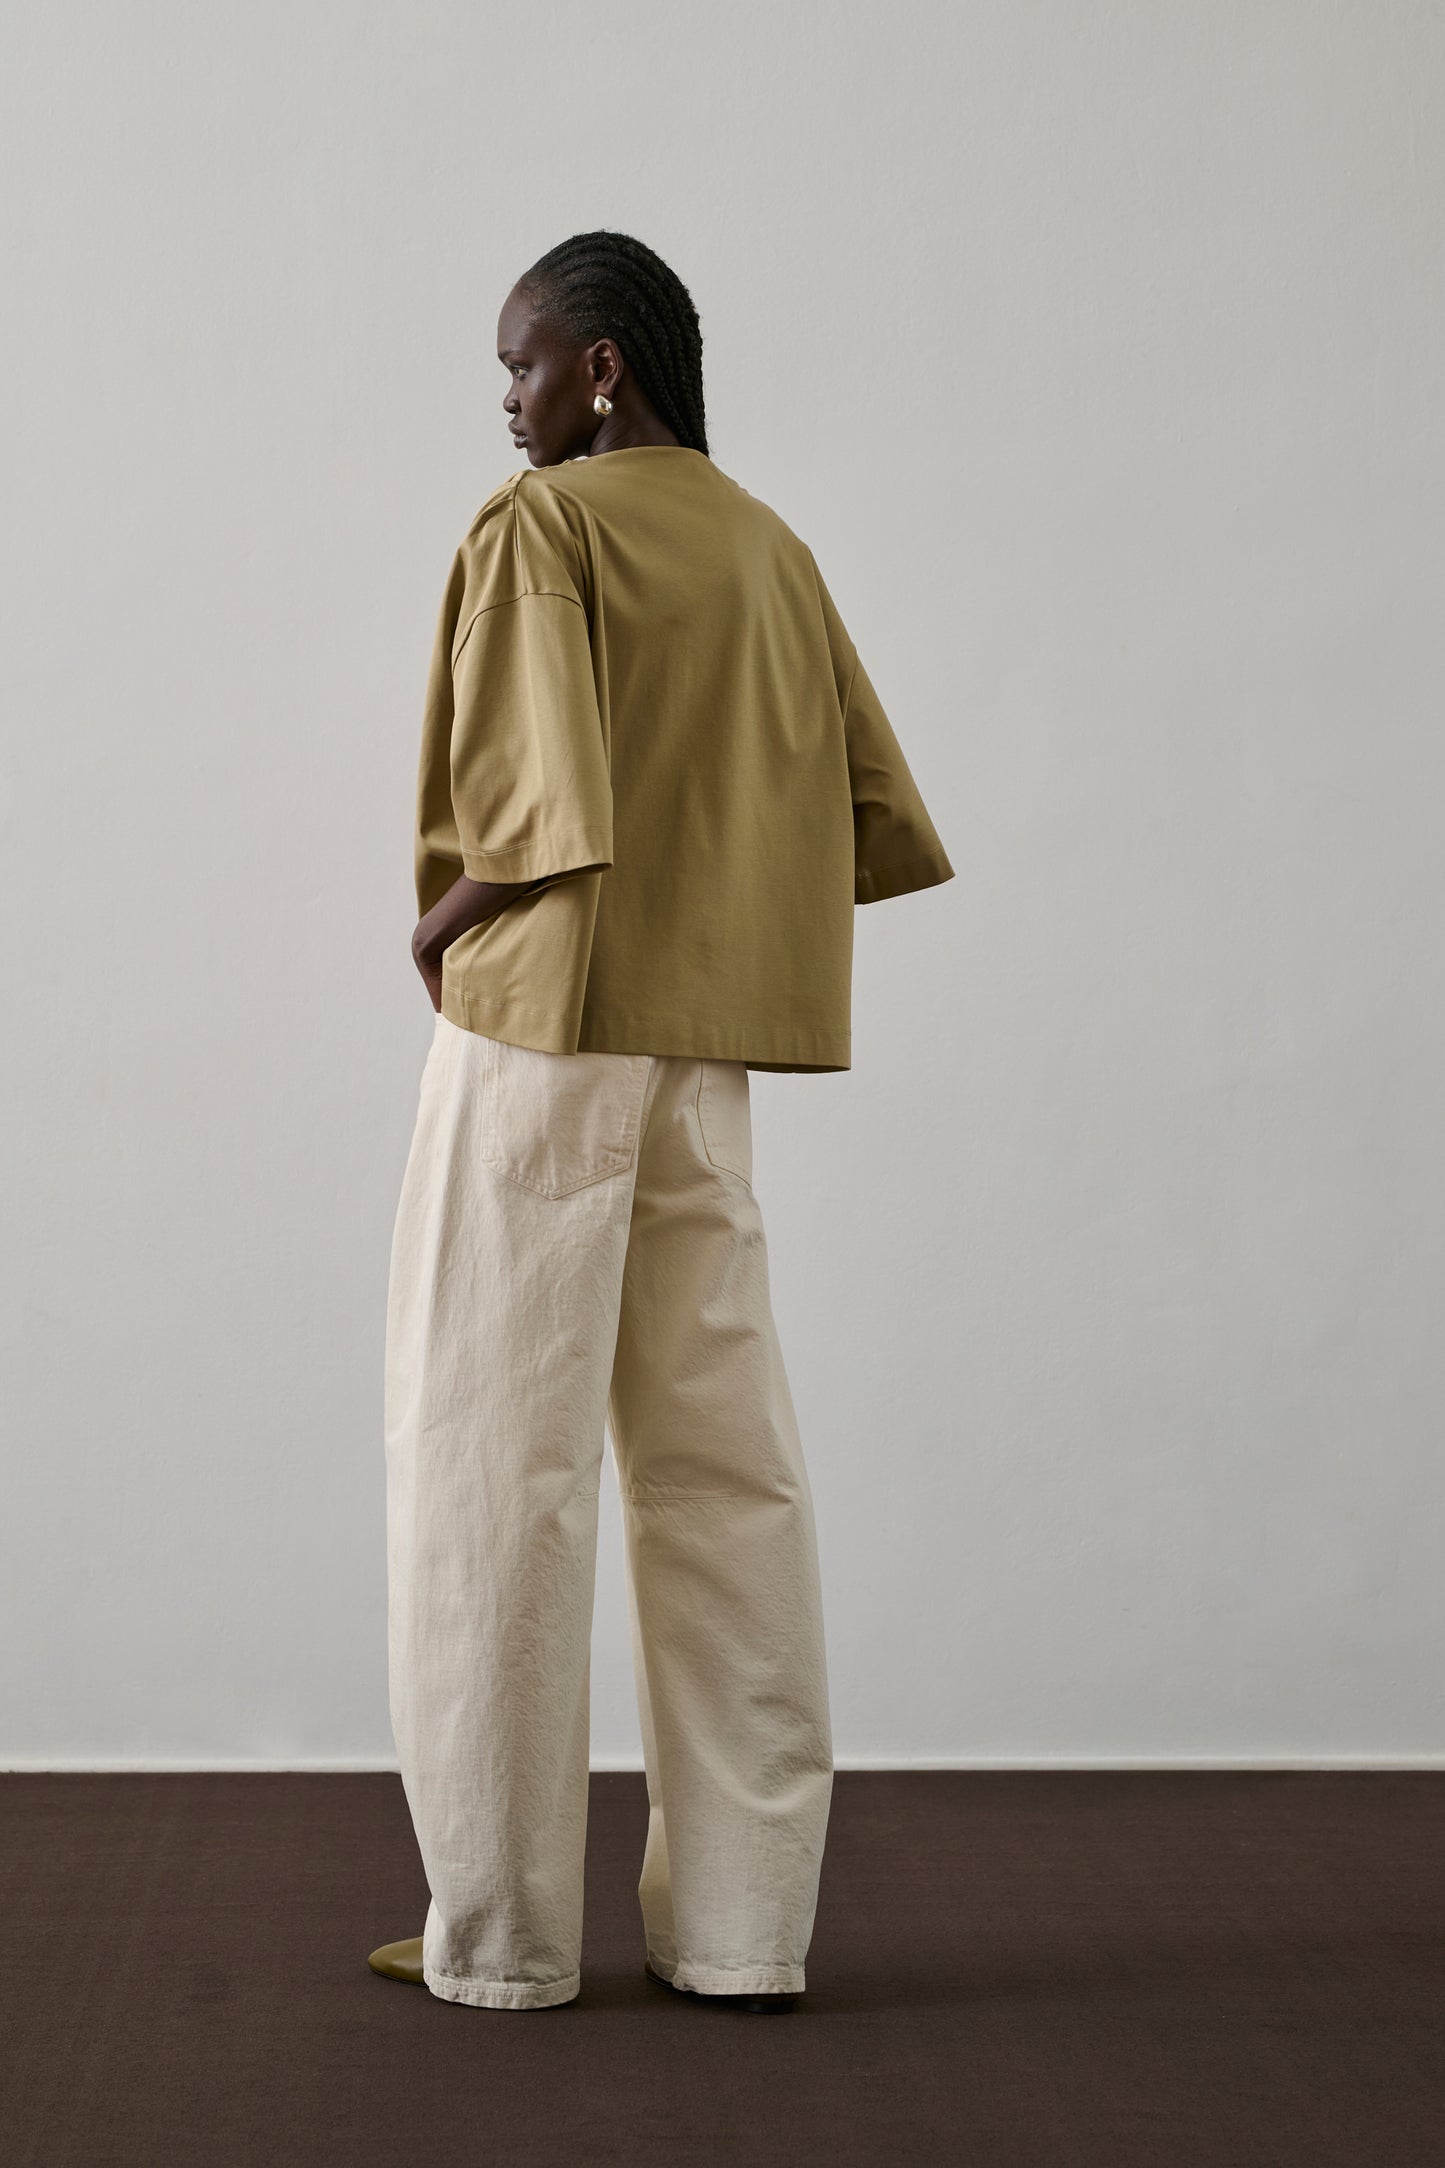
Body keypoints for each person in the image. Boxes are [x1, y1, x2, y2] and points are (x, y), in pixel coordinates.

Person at [369, 230, 954, 2016]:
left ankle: (501, 1935)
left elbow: (532, 807)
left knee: (494, 1468)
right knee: (722, 1472)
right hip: (703, 1056)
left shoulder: (541, 526)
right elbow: (864, 804)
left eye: (524, 363)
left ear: (602, 364)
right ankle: (741, 1931)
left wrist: (439, 924)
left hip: (547, 1033)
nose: (509, 398)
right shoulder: (769, 545)